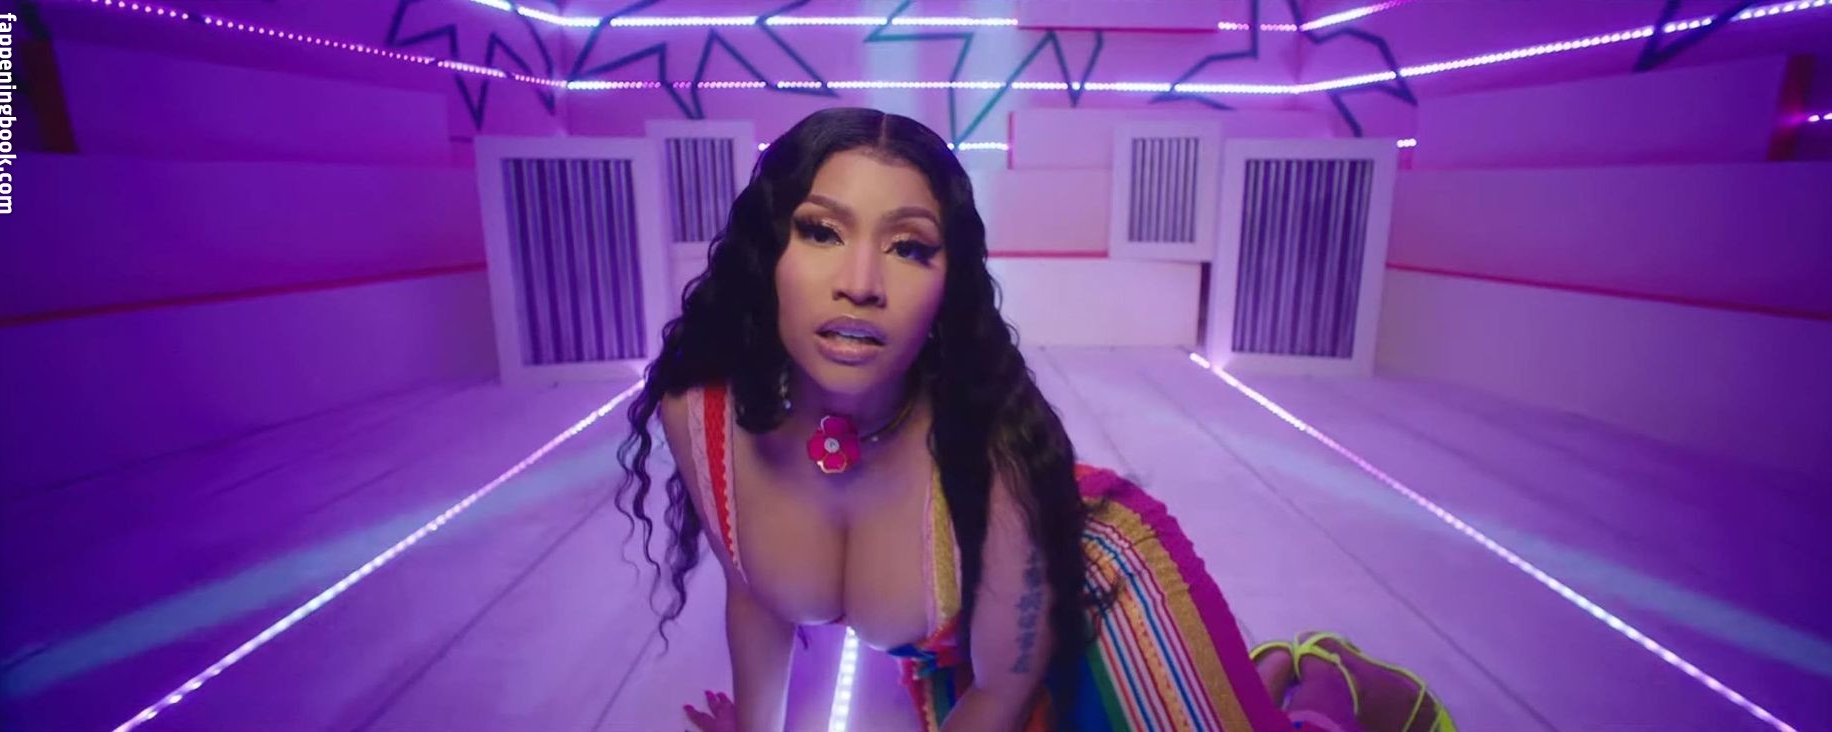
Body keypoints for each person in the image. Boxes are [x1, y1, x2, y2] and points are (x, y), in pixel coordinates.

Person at [615, 107, 1454, 732]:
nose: (861, 282)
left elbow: (1004, 689)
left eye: (909, 247)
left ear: (949, 286)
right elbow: (756, 593)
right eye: (821, 231)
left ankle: (1322, 686)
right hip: (971, 646)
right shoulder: (705, 420)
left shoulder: (993, 462)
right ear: (769, 250)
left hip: (1101, 590)